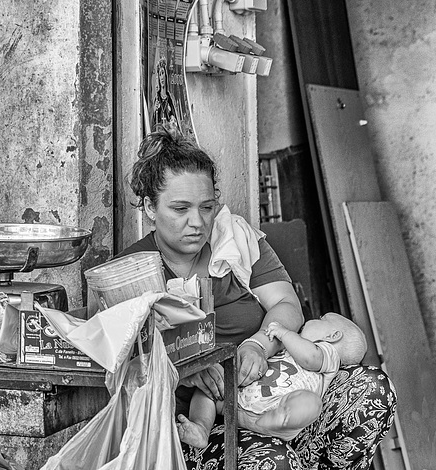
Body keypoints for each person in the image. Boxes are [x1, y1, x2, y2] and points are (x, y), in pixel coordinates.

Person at [117, 125, 397, 469]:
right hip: (205, 424)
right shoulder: (129, 272)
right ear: (149, 207)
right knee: (273, 461)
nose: (197, 222)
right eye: (180, 209)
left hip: (285, 398)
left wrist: (258, 345)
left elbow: (286, 304)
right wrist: (182, 370)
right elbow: (121, 363)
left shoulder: (236, 241)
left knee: (372, 389)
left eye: (207, 207)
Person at [177, 313, 367, 447]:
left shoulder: (328, 354)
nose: (312, 320)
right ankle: (201, 427)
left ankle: (281, 420)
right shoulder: (290, 348)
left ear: (333, 336)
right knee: (210, 386)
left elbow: (310, 358)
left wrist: (285, 333)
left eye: (320, 319)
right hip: (241, 402)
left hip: (279, 404)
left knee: (309, 403)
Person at [152, 57, 181, 132]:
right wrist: (155, 110)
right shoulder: (157, 98)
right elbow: (153, 122)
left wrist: (172, 118)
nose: (161, 77)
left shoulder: (170, 98)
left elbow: (175, 120)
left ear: (166, 75)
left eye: (163, 73)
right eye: (160, 74)